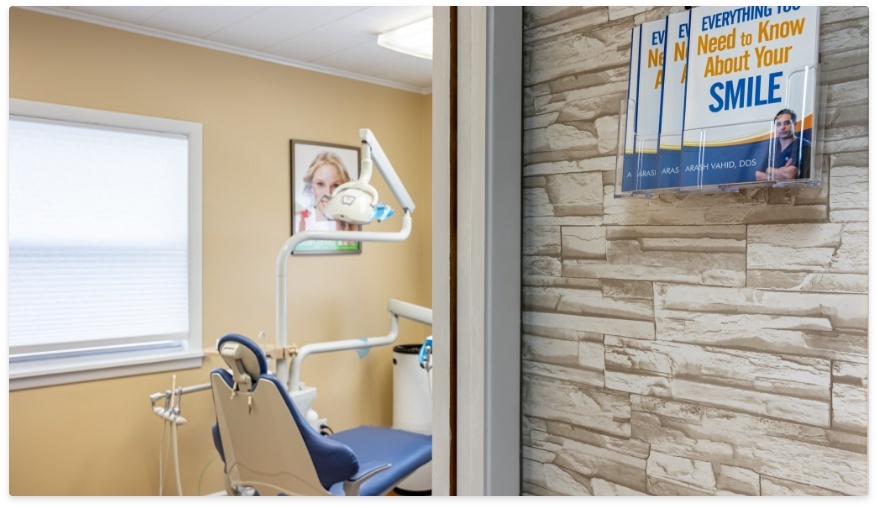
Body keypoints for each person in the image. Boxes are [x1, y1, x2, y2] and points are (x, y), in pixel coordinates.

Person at [296, 151, 358, 234]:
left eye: (335, 185)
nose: (328, 193)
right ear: (311, 186)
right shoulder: (298, 221)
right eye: (320, 184)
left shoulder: (353, 222)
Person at [755, 108, 812, 181]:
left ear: (794, 124)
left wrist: (769, 170)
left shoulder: (803, 145)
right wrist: (781, 173)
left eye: (787, 123)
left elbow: (789, 175)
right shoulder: (773, 147)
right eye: (778, 124)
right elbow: (758, 175)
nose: (782, 127)